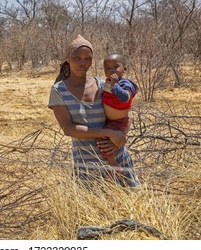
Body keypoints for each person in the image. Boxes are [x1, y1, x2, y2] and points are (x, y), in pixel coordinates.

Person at [48, 35, 140, 187]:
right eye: (77, 58)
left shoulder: (104, 84)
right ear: (68, 59)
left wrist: (119, 138)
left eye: (87, 58)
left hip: (118, 159)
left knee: (128, 208)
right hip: (87, 165)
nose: (82, 63)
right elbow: (68, 128)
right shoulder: (59, 90)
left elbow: (122, 114)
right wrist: (108, 133)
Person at [100, 53, 139, 171]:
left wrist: (115, 84)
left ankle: (114, 165)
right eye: (108, 68)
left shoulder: (125, 84)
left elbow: (125, 97)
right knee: (102, 140)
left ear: (124, 69)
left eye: (116, 67)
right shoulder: (106, 83)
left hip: (118, 122)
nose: (112, 70)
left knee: (102, 141)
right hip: (110, 121)